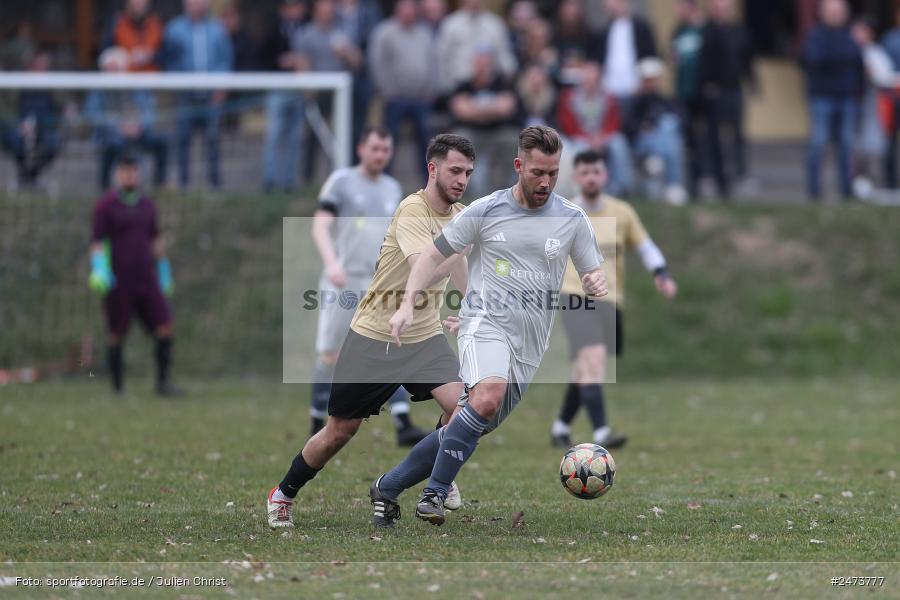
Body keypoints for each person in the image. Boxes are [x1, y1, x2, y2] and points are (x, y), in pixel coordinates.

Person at [371, 125, 609, 527]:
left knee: (472, 423)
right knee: (486, 398)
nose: (545, 182)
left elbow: (592, 270)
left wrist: (594, 281)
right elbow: (431, 255)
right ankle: (435, 492)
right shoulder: (485, 210)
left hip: (530, 345)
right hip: (484, 324)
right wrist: (407, 304)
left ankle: (387, 487)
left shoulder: (571, 218)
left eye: (552, 173)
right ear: (519, 166)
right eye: (537, 172)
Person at [266, 134, 476, 529]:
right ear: (432, 169)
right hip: (374, 337)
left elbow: (461, 268)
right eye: (454, 170)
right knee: (338, 432)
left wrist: (471, 306)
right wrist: (463, 250)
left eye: (467, 172)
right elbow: (425, 265)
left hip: (425, 337)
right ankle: (283, 494)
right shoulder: (412, 210)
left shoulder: (460, 214)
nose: (462, 179)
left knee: (464, 410)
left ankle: (439, 476)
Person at [309, 127, 429, 446]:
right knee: (330, 353)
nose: (380, 155)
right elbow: (320, 226)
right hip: (344, 280)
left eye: (386, 150)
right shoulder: (341, 181)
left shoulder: (393, 188)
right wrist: (332, 263)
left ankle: (403, 423)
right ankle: (316, 421)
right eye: (375, 148)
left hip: (380, 284)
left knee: (391, 346)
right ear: (361, 148)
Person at [551, 149, 676, 450]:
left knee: (587, 368)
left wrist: (661, 272)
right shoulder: (562, 212)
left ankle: (560, 426)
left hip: (610, 300)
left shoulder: (622, 212)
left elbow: (645, 246)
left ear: (605, 175)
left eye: (597, 171)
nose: (591, 177)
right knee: (593, 362)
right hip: (575, 296)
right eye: (585, 172)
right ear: (576, 177)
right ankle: (602, 433)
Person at [88, 152, 180, 397]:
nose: (129, 175)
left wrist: (163, 269)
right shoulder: (106, 206)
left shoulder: (148, 205)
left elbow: (155, 239)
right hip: (119, 280)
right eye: (124, 171)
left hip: (147, 279)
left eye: (133, 170)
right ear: (117, 174)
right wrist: (99, 268)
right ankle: (117, 387)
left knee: (164, 326)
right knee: (116, 333)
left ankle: (163, 383)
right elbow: (97, 241)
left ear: (139, 174)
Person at [161, 0, 233, 189]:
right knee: (183, 140)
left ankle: (214, 184)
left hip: (211, 95)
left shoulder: (217, 29)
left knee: (212, 140)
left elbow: (225, 59)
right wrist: (176, 84)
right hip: (185, 95)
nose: (197, 4)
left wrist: (221, 86)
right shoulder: (174, 29)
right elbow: (169, 60)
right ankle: (184, 184)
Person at [293, 0, 363, 181]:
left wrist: (347, 53)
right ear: (316, 9)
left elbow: (357, 62)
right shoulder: (306, 34)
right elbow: (302, 64)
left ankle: (343, 179)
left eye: (331, 5)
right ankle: (307, 181)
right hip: (316, 94)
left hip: (340, 95)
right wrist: (307, 90)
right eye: (324, 5)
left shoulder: (342, 32)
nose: (329, 9)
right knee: (313, 139)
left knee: (343, 138)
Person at [369, 0, 437, 177]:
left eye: (411, 9)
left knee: (426, 141)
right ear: (397, 10)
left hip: (420, 98)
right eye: (404, 8)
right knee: (389, 140)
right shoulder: (384, 32)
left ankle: (429, 180)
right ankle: (383, 178)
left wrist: (430, 90)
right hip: (394, 98)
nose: (408, 13)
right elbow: (377, 64)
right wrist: (388, 91)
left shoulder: (424, 33)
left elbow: (433, 63)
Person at [802, 0, 862, 200]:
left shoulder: (850, 35)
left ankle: (846, 190)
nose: (835, 16)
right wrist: (843, 54)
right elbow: (815, 60)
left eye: (838, 12)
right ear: (823, 14)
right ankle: (814, 191)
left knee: (847, 144)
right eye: (831, 12)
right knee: (818, 143)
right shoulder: (816, 35)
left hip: (847, 97)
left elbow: (858, 61)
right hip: (822, 97)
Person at [84, 47, 168, 189]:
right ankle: (106, 187)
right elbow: (92, 114)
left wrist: (140, 125)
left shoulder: (134, 85)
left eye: (115, 68)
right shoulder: (98, 91)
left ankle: (160, 184)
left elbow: (149, 110)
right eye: (108, 69)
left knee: (162, 142)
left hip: (137, 132)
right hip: (110, 135)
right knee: (114, 146)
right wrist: (118, 126)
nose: (111, 72)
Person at [699, 0, 755, 198]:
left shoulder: (738, 31)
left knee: (737, 135)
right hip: (716, 91)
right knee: (715, 138)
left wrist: (752, 84)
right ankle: (720, 180)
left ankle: (741, 176)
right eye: (719, 9)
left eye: (726, 9)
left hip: (735, 89)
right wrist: (707, 85)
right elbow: (703, 62)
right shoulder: (707, 31)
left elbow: (746, 60)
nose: (723, 12)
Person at [448, 50, 521, 198]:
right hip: (471, 132)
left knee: (514, 140)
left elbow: (507, 108)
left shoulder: (503, 84)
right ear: (473, 65)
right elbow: (461, 110)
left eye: (486, 64)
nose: (482, 68)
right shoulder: (464, 86)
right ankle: (460, 190)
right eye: (479, 64)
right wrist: (492, 110)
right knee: (457, 140)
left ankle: (505, 189)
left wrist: (475, 110)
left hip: (498, 132)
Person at [556, 61, 633, 196]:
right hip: (579, 138)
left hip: (603, 136)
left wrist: (601, 137)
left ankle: (621, 187)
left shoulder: (609, 98)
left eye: (593, 79)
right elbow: (568, 125)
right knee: (580, 148)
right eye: (587, 79)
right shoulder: (568, 98)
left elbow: (614, 122)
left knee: (618, 143)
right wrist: (589, 139)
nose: (590, 83)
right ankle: (581, 187)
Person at [259, 0, 308, 193]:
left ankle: (288, 182)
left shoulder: (306, 28)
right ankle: (270, 181)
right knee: (274, 135)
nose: (296, 10)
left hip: (299, 90)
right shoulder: (273, 29)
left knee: (295, 137)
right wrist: (280, 61)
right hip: (278, 88)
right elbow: (262, 56)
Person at [627, 58, 688, 204]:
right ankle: (674, 184)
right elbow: (628, 127)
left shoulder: (665, 100)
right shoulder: (634, 102)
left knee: (669, 125)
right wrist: (643, 127)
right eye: (648, 80)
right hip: (642, 143)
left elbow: (683, 121)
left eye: (654, 79)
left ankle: (658, 161)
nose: (651, 83)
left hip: (661, 143)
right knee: (669, 135)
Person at [2, 51, 62, 189]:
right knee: (14, 140)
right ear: (30, 67)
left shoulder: (53, 85)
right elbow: (6, 110)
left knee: (54, 143)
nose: (42, 71)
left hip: (46, 127)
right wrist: (19, 124)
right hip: (19, 127)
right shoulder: (16, 85)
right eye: (39, 67)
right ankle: (25, 175)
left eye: (45, 68)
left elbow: (62, 107)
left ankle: (30, 176)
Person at [594, 0, 658, 122]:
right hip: (609, 94)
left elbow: (651, 59)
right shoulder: (605, 30)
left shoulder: (641, 27)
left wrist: (644, 84)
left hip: (636, 93)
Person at [435, 0, 518, 93]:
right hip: (457, 86)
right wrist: (447, 89)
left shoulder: (495, 24)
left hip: (491, 88)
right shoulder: (450, 24)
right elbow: (441, 60)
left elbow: (505, 57)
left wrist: (508, 80)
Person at [670, 0, 706, 197]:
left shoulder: (704, 30)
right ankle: (692, 183)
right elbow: (672, 56)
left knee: (703, 138)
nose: (676, 11)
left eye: (679, 6)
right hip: (683, 94)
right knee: (688, 139)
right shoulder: (678, 30)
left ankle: (703, 179)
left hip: (702, 95)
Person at [104, 0, 163, 72]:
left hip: (153, 78)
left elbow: (166, 55)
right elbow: (105, 52)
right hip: (124, 78)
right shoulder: (116, 22)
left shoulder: (157, 24)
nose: (137, 2)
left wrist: (151, 56)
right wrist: (114, 59)